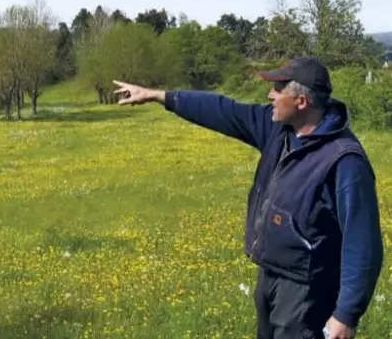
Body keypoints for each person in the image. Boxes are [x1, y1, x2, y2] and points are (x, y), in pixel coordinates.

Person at [113, 57, 384, 339]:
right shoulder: (279, 130)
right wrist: (159, 96)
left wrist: (346, 314)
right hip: (270, 275)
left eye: (278, 89)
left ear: (301, 102)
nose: (270, 95)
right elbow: (224, 110)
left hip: (307, 290)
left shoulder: (344, 161)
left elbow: (363, 243)